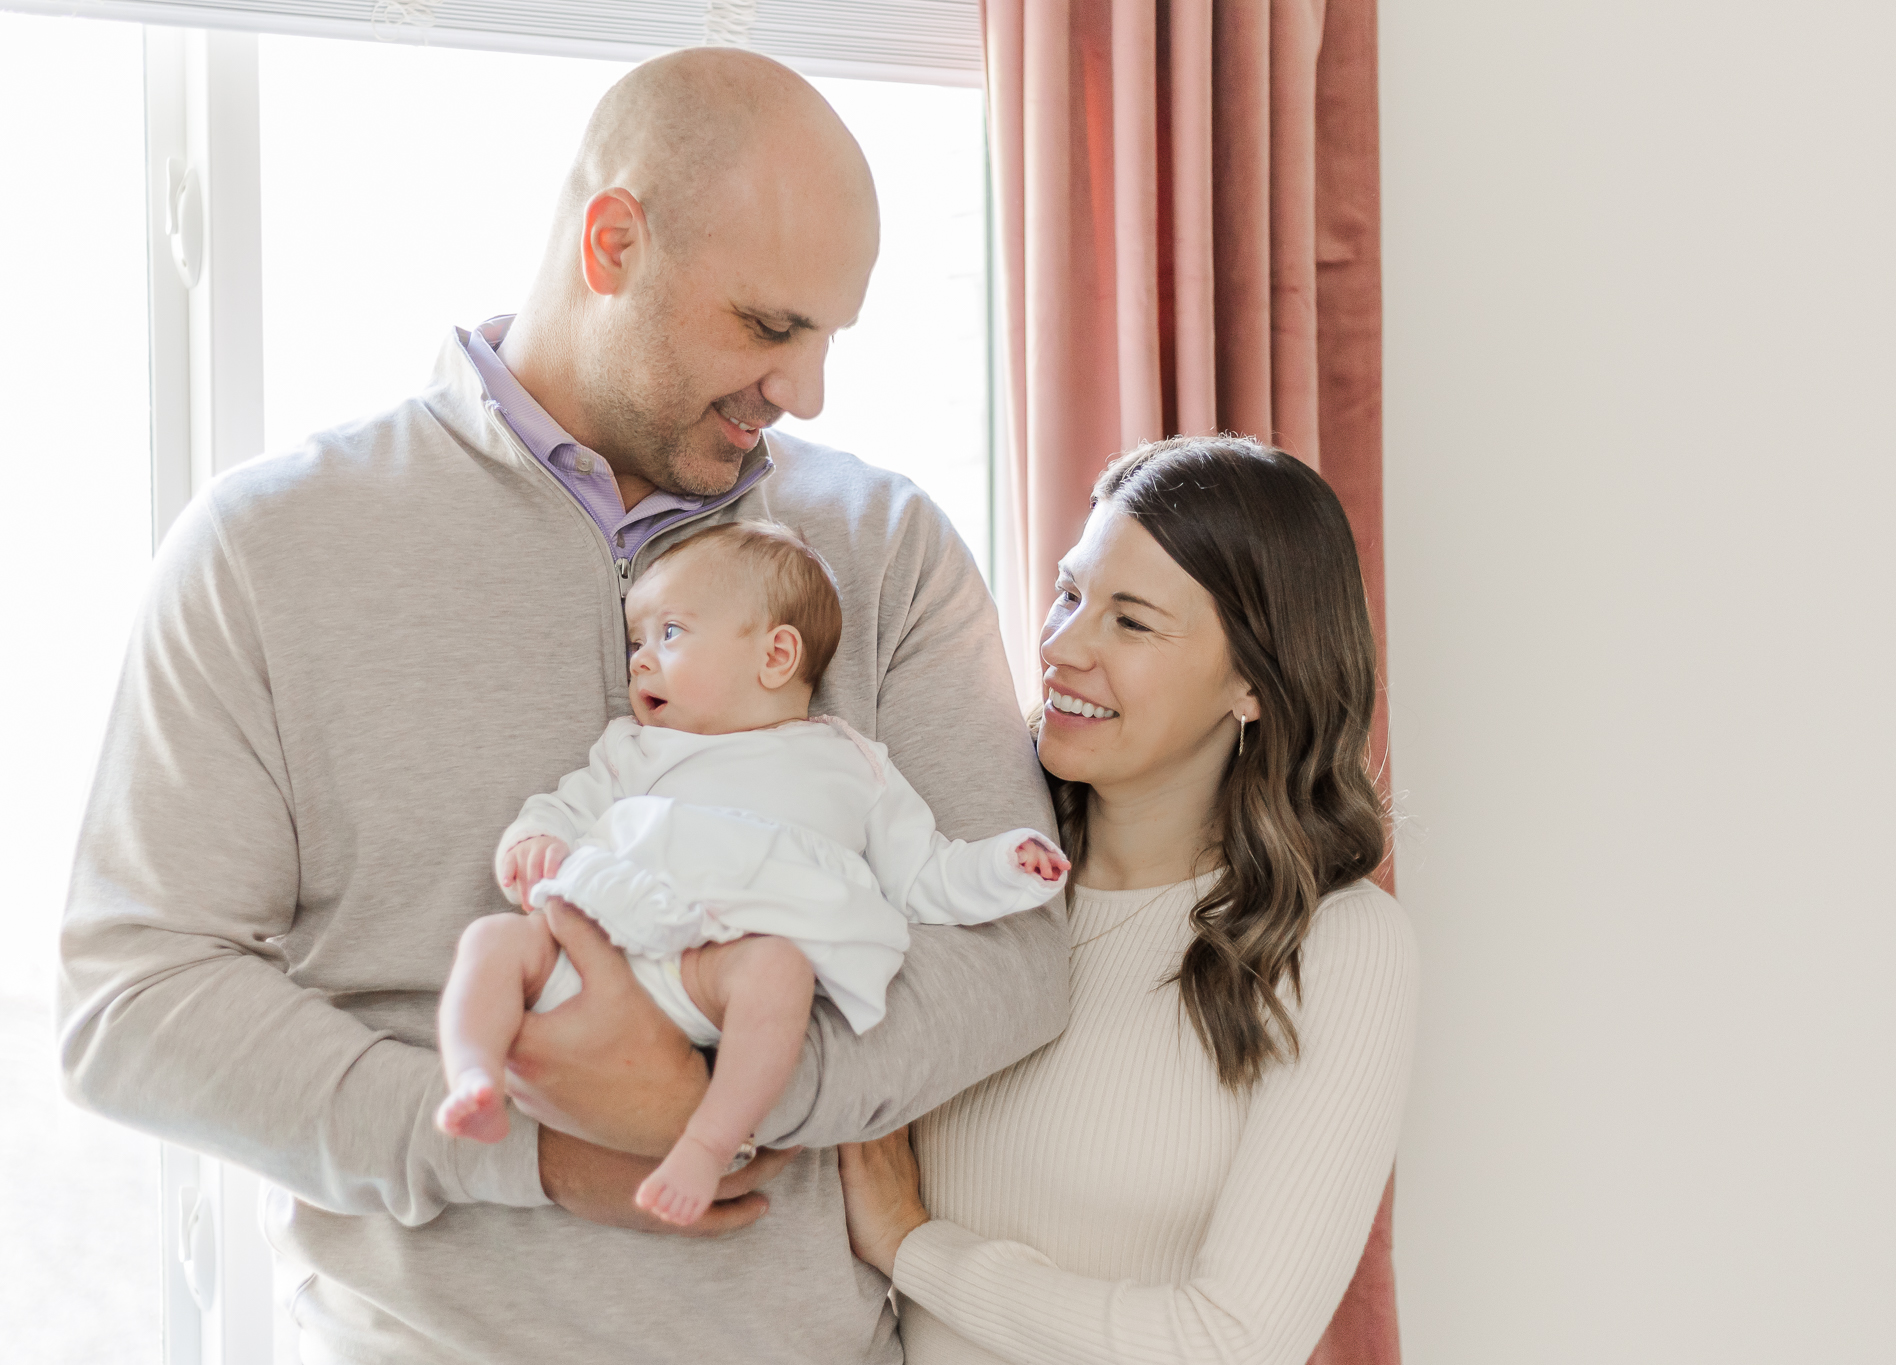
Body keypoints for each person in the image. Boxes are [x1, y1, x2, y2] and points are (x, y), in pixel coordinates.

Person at [58, 45, 1066, 1364]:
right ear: (612, 242)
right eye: (769, 327)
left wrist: (719, 1095)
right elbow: (135, 1002)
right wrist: (534, 1153)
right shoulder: (267, 547)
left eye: (831, 336)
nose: (808, 389)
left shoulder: (887, 547)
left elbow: (1015, 956)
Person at [838, 435, 1421, 1365]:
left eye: (1132, 621)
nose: (1063, 646)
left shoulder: (1337, 947)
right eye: (1070, 593)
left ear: (1254, 683)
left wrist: (915, 1246)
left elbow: (1230, 1341)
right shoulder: (964, 874)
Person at [436, 521, 1069, 1227]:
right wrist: (534, 839)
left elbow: (922, 874)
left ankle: (708, 1139)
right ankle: (472, 1077)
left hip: (714, 976)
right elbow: (563, 806)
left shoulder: (854, 764)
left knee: (779, 972)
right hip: (605, 936)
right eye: (635, 642)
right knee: (493, 939)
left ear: (776, 655)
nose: (639, 663)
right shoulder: (634, 751)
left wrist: (1006, 864)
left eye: (668, 633)